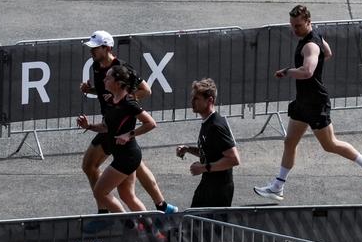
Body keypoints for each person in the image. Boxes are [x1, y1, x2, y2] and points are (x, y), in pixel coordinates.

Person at [254, 5, 362, 200]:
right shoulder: (316, 37)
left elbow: (307, 72)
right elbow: (328, 53)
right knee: (290, 142)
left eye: (298, 26)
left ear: (308, 22)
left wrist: (287, 71)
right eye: (292, 26)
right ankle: (278, 187)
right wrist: (317, 57)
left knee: (330, 144)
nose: (294, 30)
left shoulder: (310, 45)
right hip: (303, 101)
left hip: (315, 102)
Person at [79, 31, 176, 213]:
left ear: (107, 48)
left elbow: (146, 91)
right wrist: (90, 90)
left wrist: (124, 104)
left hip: (116, 126)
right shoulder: (97, 65)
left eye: (95, 48)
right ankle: (159, 207)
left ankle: (108, 213)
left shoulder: (122, 69)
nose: (91, 51)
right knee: (131, 170)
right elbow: (104, 92)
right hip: (109, 124)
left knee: (100, 166)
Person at [76, 63, 157, 212]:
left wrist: (129, 134)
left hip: (128, 157)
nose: (104, 80)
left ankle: (129, 225)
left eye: (108, 78)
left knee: (100, 192)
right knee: (127, 196)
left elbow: (151, 123)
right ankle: (151, 231)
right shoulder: (111, 101)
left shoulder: (129, 102)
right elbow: (106, 128)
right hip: (121, 154)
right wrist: (89, 126)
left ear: (118, 84)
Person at [176, 78, 240, 208]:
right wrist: (188, 149)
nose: (192, 102)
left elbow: (233, 159)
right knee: (193, 223)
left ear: (209, 100)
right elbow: (211, 152)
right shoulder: (207, 122)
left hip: (219, 190)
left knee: (207, 227)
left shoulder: (216, 126)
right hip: (207, 184)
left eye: (196, 99)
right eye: (192, 98)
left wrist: (203, 168)